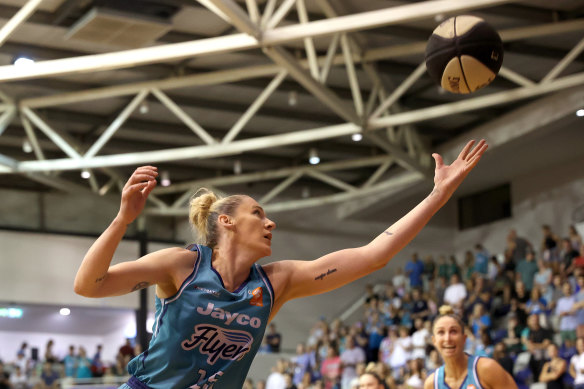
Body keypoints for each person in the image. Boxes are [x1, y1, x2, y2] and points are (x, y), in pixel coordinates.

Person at [73, 140, 488, 389]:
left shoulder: (277, 282)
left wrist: (437, 195)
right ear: (226, 222)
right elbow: (89, 285)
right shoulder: (182, 265)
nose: (269, 221)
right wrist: (123, 220)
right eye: (258, 213)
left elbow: (373, 255)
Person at [423, 305, 517, 389]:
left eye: (453, 331)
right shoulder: (432, 384)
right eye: (441, 332)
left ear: (464, 338)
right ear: (434, 341)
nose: (447, 338)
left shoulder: (487, 369)